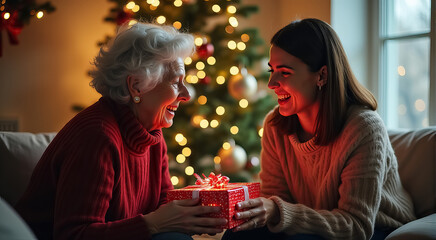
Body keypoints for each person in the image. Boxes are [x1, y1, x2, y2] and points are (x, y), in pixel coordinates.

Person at [15, 22, 227, 240]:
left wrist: (190, 214)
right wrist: (152, 224)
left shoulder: (151, 133)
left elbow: (163, 203)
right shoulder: (97, 137)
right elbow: (73, 234)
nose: (186, 95)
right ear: (136, 86)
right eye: (175, 82)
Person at [222, 18, 416, 240]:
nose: (271, 83)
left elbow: (357, 226)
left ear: (321, 75)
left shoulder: (364, 128)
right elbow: (276, 200)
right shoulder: (275, 125)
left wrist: (277, 211)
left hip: (378, 228)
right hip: (312, 224)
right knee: (238, 235)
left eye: (284, 72)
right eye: (272, 70)